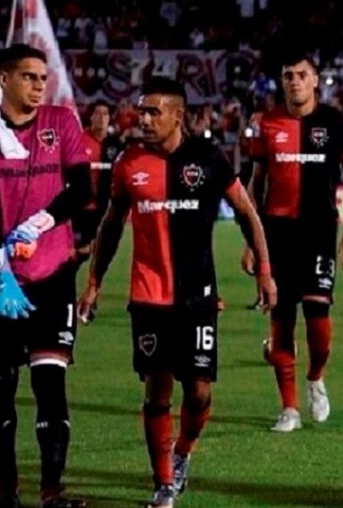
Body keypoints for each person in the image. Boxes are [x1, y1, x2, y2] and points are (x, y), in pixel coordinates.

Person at [77, 78, 277, 508]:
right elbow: (111, 226)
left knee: (199, 391)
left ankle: (183, 451)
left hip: (198, 297)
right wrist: (94, 284)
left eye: (154, 112)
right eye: (141, 111)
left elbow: (246, 212)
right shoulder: (129, 162)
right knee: (157, 391)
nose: (144, 119)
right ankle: (163, 483)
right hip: (148, 297)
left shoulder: (208, 159)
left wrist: (264, 271)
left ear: (178, 116)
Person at [0, 43, 92, 508]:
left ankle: (52, 491)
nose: (39, 86)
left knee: (50, 385)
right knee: (1, 383)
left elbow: (81, 189)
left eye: (42, 78)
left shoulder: (62, 122)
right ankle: (7, 491)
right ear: (4, 77)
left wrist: (37, 224)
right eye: (29, 77)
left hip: (53, 275)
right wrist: (4, 272)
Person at [243, 52, 343, 433]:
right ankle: (289, 408)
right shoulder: (267, 123)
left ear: (315, 80)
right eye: (288, 75)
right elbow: (255, 184)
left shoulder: (333, 122)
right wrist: (251, 240)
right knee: (281, 319)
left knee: (318, 321)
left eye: (301, 74)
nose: (294, 81)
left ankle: (315, 377)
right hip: (276, 234)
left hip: (319, 232)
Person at [72, 100, 123, 266]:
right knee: (80, 250)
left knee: (98, 251)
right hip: (80, 207)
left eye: (105, 114)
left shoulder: (115, 145)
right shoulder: (78, 141)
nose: (102, 117)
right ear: (91, 117)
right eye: (98, 113)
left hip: (104, 208)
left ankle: (92, 278)